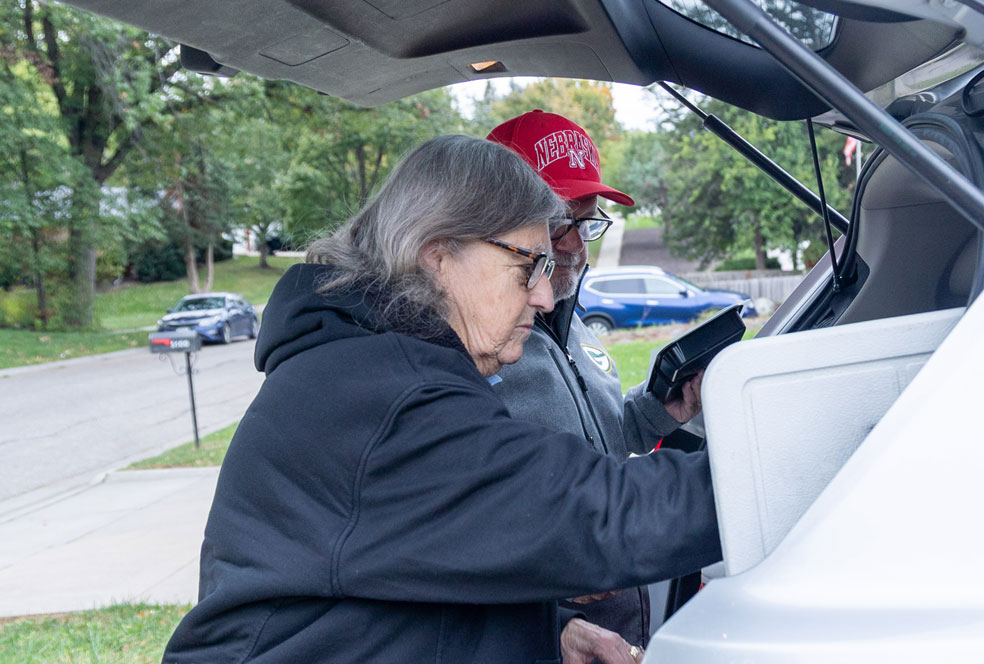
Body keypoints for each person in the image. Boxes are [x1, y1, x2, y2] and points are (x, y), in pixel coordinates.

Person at [162, 135, 719, 664]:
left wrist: (550, 635)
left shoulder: (370, 363)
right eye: (529, 266)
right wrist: (782, 465)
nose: (545, 295)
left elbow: (405, 574)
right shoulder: (381, 395)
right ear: (437, 257)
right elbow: (598, 514)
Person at [488, 110, 703, 643]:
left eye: (588, 224)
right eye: (560, 220)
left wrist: (661, 409)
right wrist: (542, 570)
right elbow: (459, 506)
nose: (577, 247)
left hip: (616, 605)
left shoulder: (570, 315)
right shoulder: (471, 346)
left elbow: (595, 437)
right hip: (539, 624)